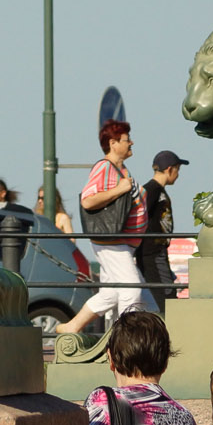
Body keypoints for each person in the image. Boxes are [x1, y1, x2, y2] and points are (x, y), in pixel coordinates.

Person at [57, 120, 149, 334]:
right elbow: (88, 200)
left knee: (111, 293)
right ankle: (125, 337)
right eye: (127, 139)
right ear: (113, 143)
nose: (131, 143)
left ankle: (73, 326)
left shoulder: (120, 169)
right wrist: (119, 189)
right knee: (132, 289)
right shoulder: (104, 167)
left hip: (122, 242)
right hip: (113, 241)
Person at [137, 151, 188, 311]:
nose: (178, 175)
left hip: (157, 252)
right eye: (177, 170)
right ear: (170, 169)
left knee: (165, 294)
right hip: (152, 253)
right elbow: (138, 216)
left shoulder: (157, 190)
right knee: (166, 298)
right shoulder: (152, 190)